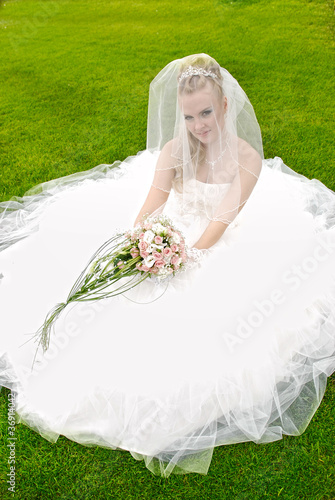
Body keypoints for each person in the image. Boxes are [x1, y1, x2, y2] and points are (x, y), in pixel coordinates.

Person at [0, 54, 334, 477]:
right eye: (190, 116)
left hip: (215, 237)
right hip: (174, 226)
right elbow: (150, 206)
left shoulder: (245, 159)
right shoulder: (177, 151)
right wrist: (143, 243)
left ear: (225, 106)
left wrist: (186, 257)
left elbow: (221, 219)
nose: (199, 125)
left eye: (207, 113)